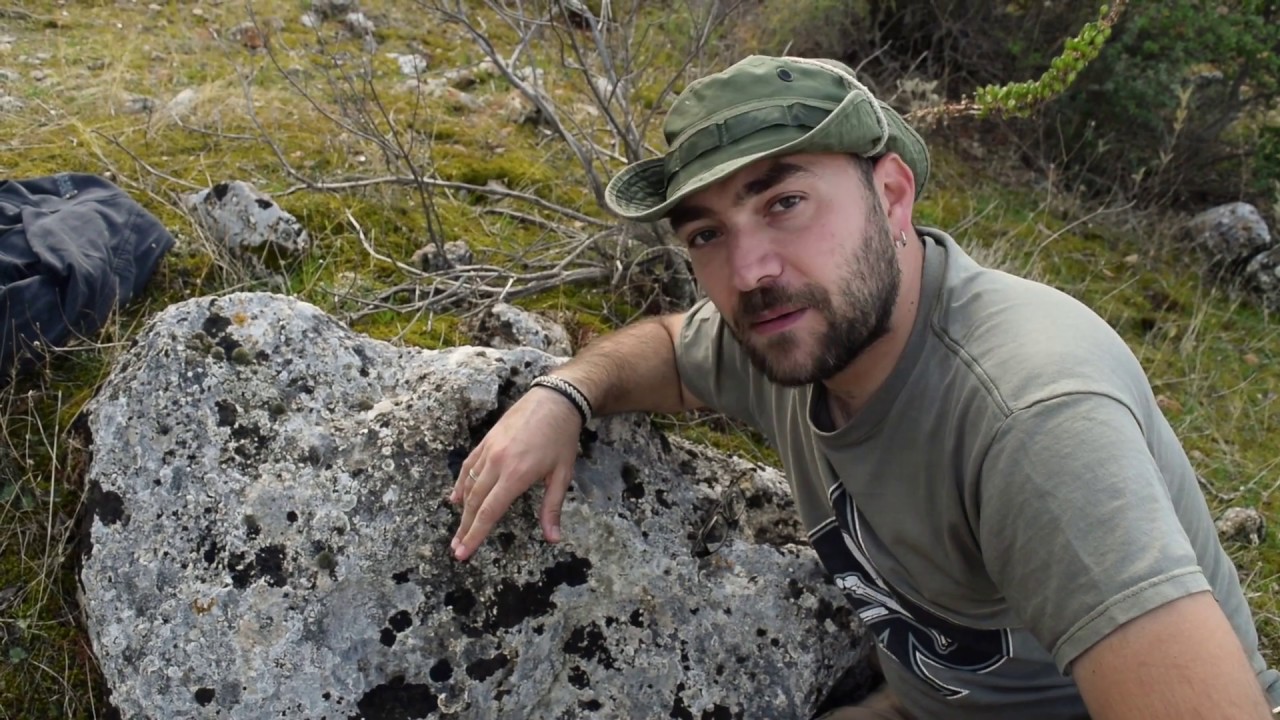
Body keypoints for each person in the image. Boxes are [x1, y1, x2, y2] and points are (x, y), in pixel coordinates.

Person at [447, 54, 1280, 719]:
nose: (749, 270)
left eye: (785, 202)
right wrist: (564, 395)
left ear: (890, 195)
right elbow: (669, 346)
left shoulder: (1032, 420)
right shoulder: (801, 326)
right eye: (707, 232)